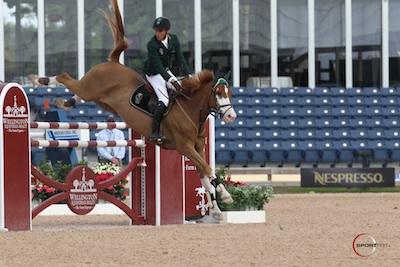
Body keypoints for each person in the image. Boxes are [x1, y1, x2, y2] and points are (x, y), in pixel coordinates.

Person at [144, 16, 192, 143]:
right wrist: (171, 80)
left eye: (160, 31)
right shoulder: (152, 44)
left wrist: (188, 75)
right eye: (156, 30)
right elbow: (158, 67)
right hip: (154, 73)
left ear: (167, 31)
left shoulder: (174, 39)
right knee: (164, 100)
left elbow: (180, 58)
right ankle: (155, 131)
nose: (158, 33)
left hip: (165, 70)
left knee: (180, 90)